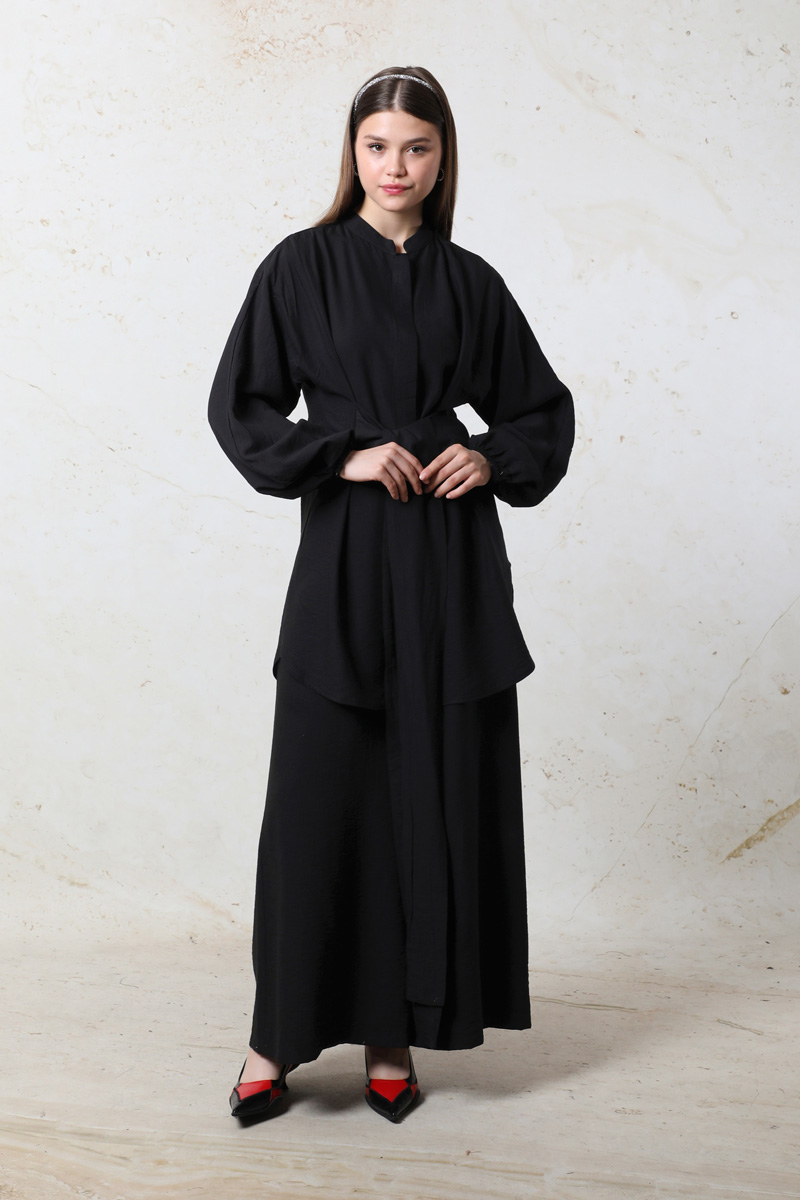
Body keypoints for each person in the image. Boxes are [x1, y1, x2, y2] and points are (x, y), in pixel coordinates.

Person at [208, 64, 575, 1124]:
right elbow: (240, 408)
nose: (396, 166)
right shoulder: (300, 266)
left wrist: (488, 456)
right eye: (378, 147)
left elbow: (541, 413)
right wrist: (341, 453)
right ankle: (274, 1040)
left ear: (442, 156)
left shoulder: (472, 282)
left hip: (449, 564)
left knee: (432, 794)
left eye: (416, 147)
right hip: (345, 558)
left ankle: (392, 1035)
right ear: (352, 153)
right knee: (318, 798)